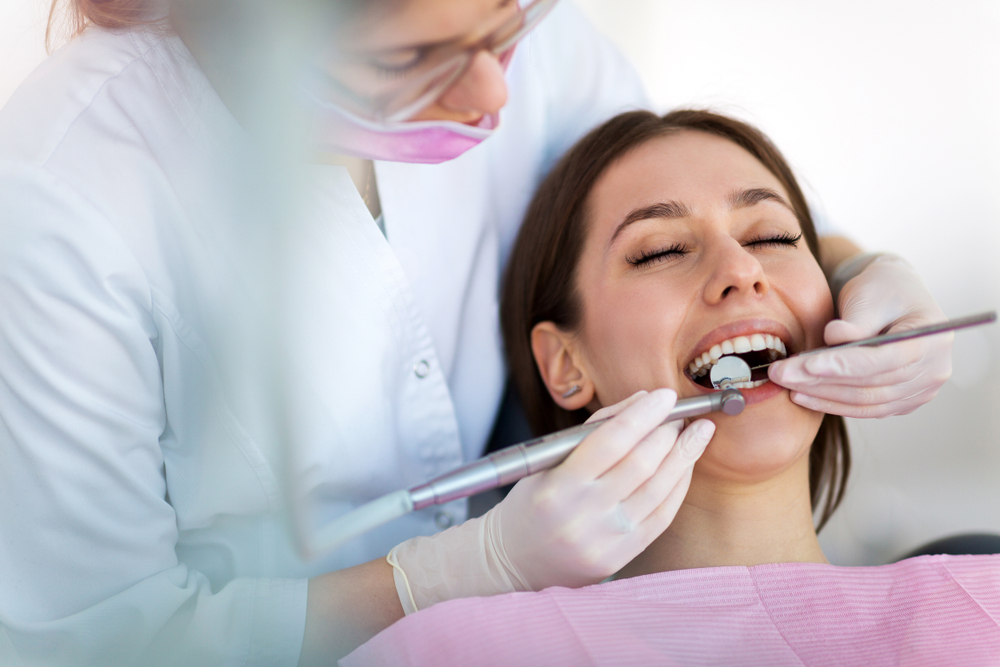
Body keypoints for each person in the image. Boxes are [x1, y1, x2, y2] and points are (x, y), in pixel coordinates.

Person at [0, 0, 954, 664]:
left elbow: (677, 177)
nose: (495, 96)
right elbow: (89, 641)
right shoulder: (67, 195)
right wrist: (454, 578)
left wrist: (854, 264)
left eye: (508, 25)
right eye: (408, 58)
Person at [341, 109, 1000, 667]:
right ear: (565, 362)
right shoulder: (452, 651)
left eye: (772, 235)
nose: (741, 269)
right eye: (657, 251)